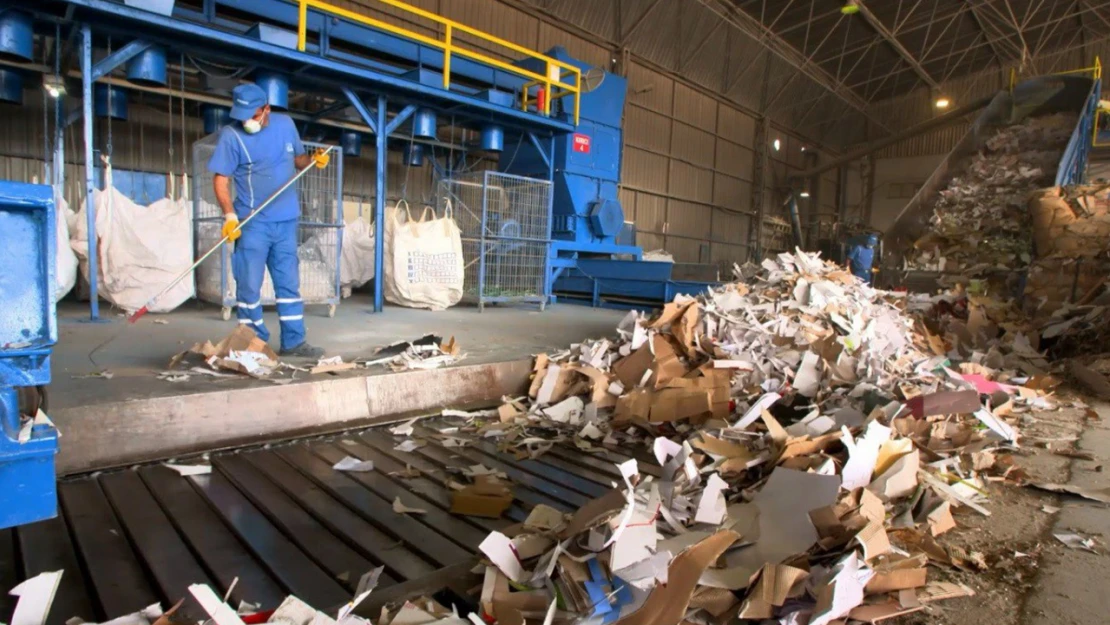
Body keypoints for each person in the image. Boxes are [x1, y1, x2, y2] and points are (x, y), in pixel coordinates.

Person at [207, 83, 329, 358]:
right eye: (242, 116)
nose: (247, 121)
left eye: (252, 114)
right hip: (252, 223)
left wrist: (313, 160)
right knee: (249, 285)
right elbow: (221, 180)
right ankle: (254, 343)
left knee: (288, 285)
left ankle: (294, 343)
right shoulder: (231, 136)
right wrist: (229, 215)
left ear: (266, 110)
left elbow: (298, 160)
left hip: (286, 223)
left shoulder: (285, 125)